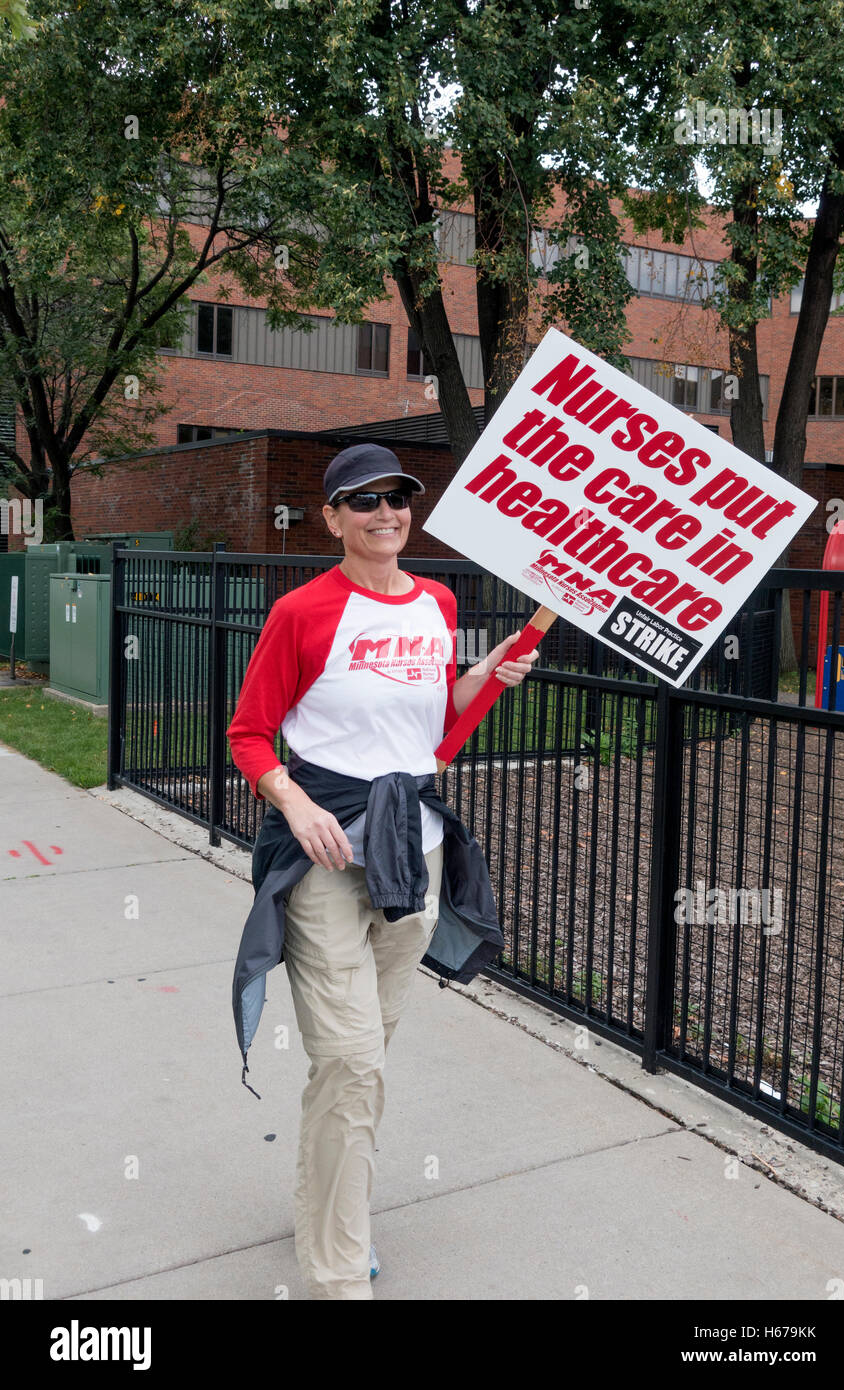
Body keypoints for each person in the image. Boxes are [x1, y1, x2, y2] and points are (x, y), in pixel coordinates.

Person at [227, 442, 539, 1300]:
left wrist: (486, 674)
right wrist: (296, 804)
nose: (384, 513)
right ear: (331, 518)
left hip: (415, 860)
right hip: (325, 862)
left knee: (359, 1064)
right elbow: (249, 734)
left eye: (397, 496)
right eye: (362, 501)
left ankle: (332, 1205)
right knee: (353, 1061)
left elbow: (433, 729)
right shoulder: (302, 612)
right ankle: (335, 1269)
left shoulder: (437, 601)